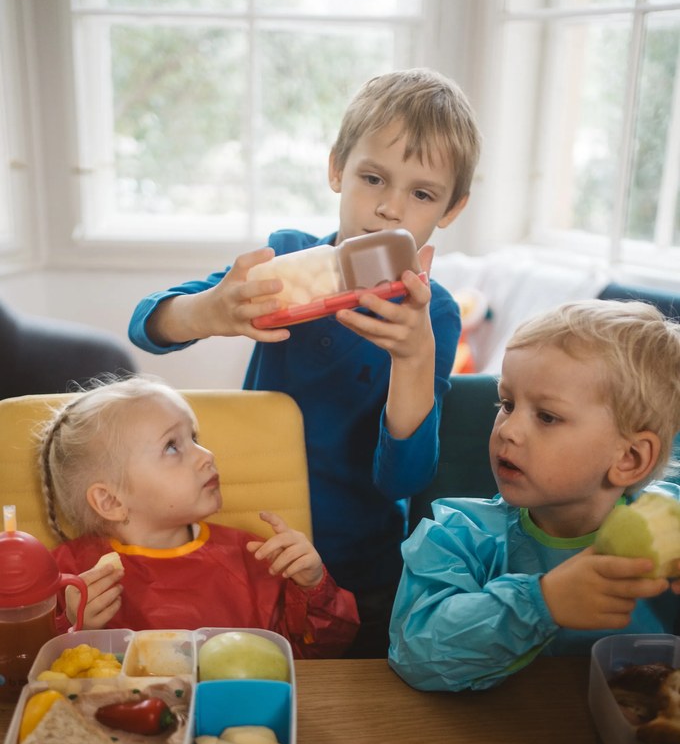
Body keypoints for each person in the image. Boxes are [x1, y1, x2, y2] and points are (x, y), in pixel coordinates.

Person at [128, 68, 482, 658]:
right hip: (254, 541)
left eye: (421, 194)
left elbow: (403, 480)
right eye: (373, 178)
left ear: (450, 209)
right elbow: (149, 325)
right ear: (337, 168)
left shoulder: (435, 315)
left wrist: (414, 358)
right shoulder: (289, 259)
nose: (389, 209)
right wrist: (210, 311)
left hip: (357, 571)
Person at [388, 299, 680, 691]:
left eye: (547, 416)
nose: (508, 430)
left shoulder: (671, 534)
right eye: (507, 404)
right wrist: (543, 602)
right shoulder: (458, 536)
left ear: (628, 458)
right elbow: (415, 654)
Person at [38, 377, 359, 658]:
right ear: (110, 500)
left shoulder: (255, 556)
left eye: (195, 438)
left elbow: (317, 655)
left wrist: (314, 588)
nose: (207, 456)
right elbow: (24, 669)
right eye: (172, 447)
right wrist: (72, 627)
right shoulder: (64, 576)